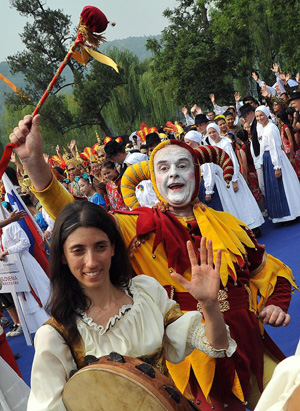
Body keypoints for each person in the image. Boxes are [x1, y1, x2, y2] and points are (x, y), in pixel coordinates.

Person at [10, 114, 296, 410]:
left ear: (196, 174)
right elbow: (80, 222)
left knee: (288, 395)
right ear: (153, 179)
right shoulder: (137, 226)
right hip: (189, 356)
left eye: (183, 166)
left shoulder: (231, 224)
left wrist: (276, 303)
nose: (174, 174)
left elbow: (269, 272)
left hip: (248, 337)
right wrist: (36, 168)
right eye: (164, 167)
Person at [27, 200, 235, 410]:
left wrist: (209, 305)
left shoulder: (146, 292)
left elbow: (217, 344)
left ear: (113, 248)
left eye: (100, 246)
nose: (91, 262)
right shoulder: (56, 335)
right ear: (63, 256)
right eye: (78, 250)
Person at [207, 123, 265, 233]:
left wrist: (234, 180)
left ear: (217, 131)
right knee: (233, 205)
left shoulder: (226, 144)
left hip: (232, 178)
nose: (212, 134)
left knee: (242, 202)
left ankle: (253, 226)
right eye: (209, 133)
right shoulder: (212, 146)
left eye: (213, 131)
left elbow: (233, 162)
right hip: (223, 181)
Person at [255, 106, 300, 223]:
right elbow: (261, 147)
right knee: (274, 187)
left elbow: (274, 148)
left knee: (283, 185)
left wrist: (277, 166)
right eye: (257, 116)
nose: (259, 118)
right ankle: (280, 215)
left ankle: (290, 213)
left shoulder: (271, 128)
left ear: (266, 115)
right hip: (267, 159)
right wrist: (260, 161)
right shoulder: (261, 128)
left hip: (275, 159)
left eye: (261, 115)